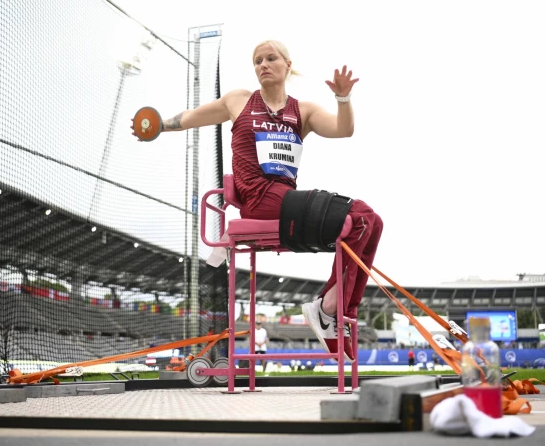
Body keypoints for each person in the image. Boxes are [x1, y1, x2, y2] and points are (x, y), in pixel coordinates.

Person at [132, 40, 383, 364]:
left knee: (372, 222)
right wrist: (157, 126)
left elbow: (343, 129)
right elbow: (191, 117)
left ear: (287, 64)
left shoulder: (302, 111)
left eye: (270, 58)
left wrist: (343, 98)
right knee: (361, 216)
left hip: (285, 200)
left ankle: (334, 309)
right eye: (257, 61)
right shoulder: (239, 100)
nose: (262, 65)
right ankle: (328, 310)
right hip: (257, 199)